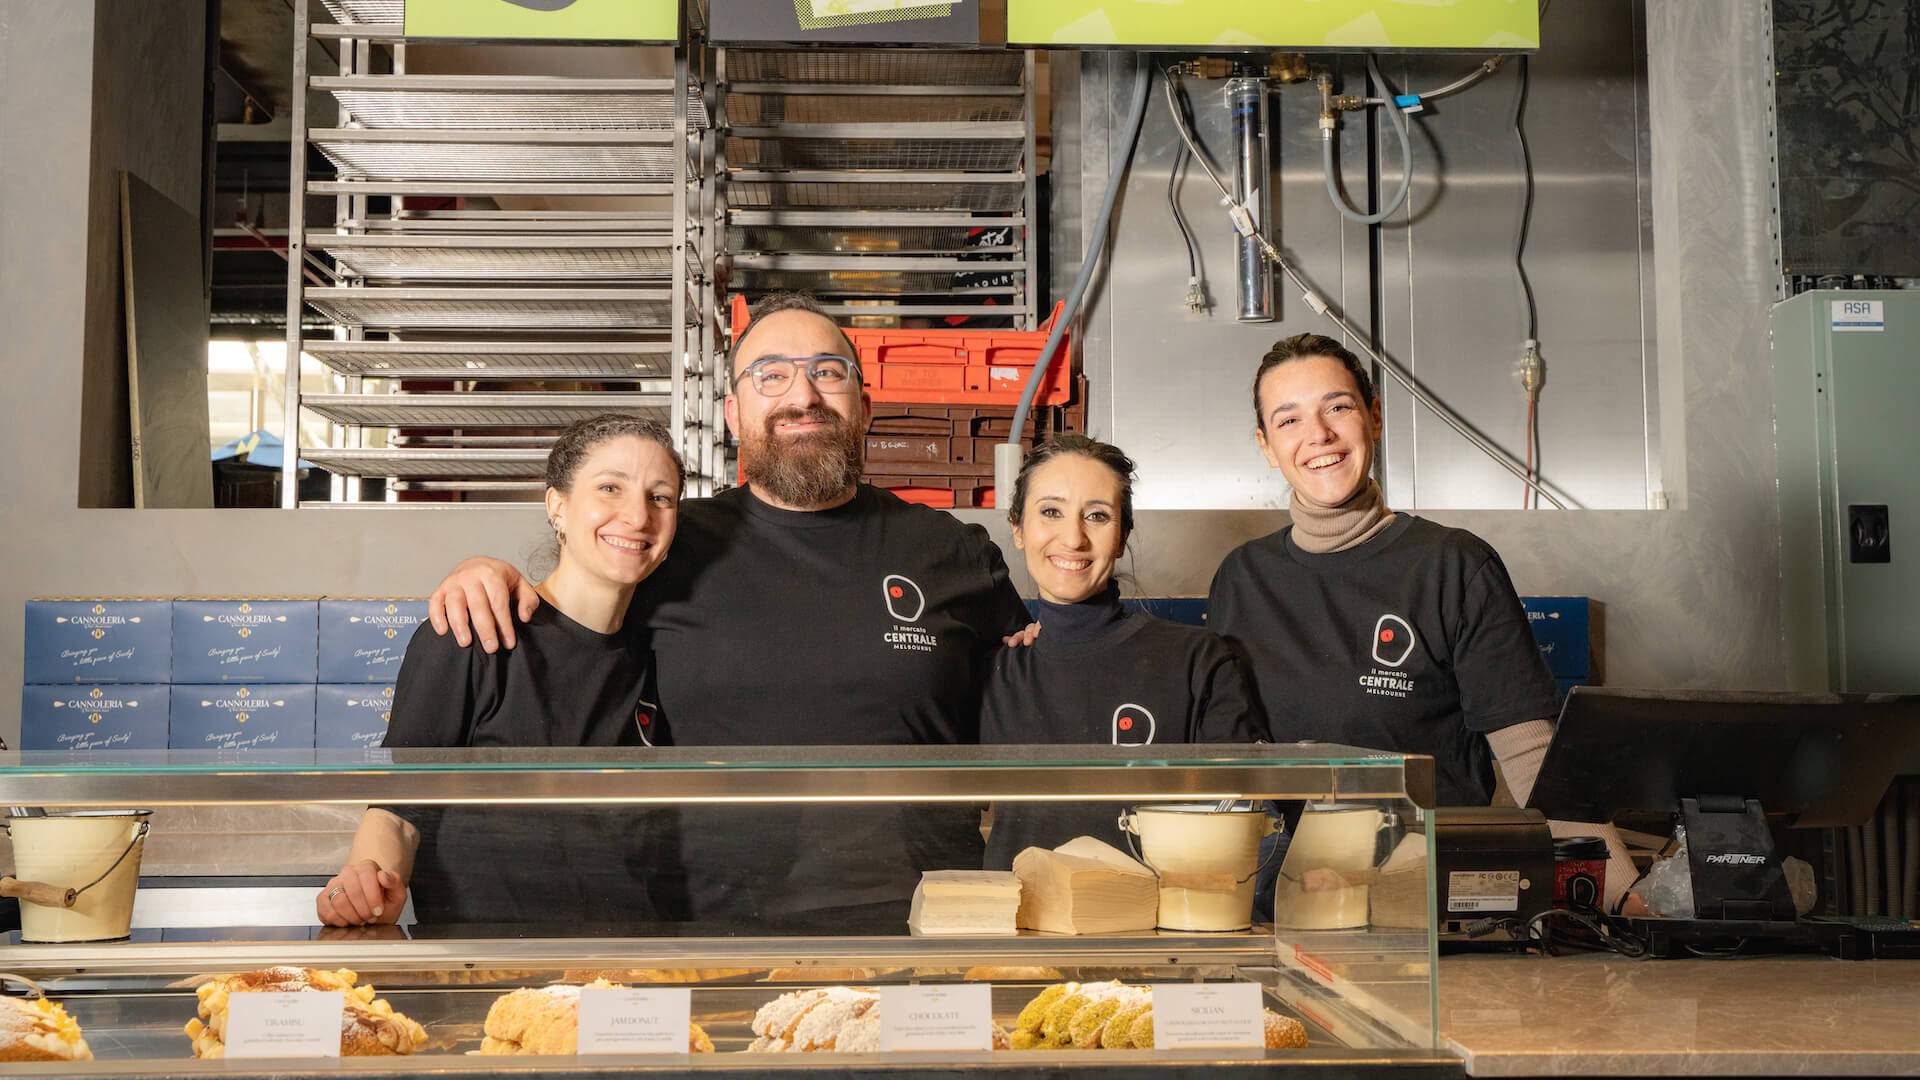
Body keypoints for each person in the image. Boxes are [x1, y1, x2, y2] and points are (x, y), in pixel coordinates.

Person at [424, 292, 1031, 928]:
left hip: (924, 928)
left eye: (829, 372)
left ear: (865, 407)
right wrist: (485, 573)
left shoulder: (953, 550)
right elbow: (569, 620)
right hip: (712, 937)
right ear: (733, 414)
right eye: (771, 375)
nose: (803, 396)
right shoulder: (667, 544)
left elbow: (1041, 694)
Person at [1208, 333, 1639, 909]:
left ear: (1375, 416)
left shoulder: (1454, 565)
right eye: (1288, 421)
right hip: (1290, 893)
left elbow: (1531, 754)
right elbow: (1228, 762)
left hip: (1429, 892)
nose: (1319, 436)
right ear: (1266, 445)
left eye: (1338, 407)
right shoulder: (1242, 578)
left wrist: (1629, 900)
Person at [316, 414, 685, 927]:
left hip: (631, 966)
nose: (637, 516)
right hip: (492, 968)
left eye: (660, 497)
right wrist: (368, 876)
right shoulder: (474, 631)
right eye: (609, 488)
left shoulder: (666, 652)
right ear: (557, 505)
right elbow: (400, 811)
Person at [980, 435, 1265, 869]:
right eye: (1051, 511)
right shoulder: (995, 669)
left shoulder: (1196, 661)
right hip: (1018, 927)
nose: (1073, 538)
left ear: (1122, 536)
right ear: (1017, 529)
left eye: (1096, 515)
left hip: (1152, 928)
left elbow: (1232, 826)